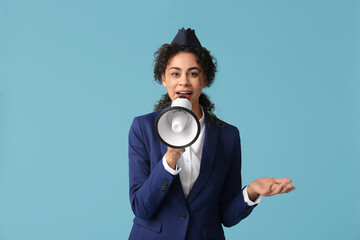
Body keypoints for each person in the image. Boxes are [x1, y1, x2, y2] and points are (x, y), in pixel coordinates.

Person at [128, 28, 295, 240]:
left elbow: (226, 216)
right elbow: (141, 207)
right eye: (175, 73)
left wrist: (252, 191)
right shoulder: (143, 128)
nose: (184, 82)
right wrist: (169, 161)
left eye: (193, 73)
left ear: (205, 79)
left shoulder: (228, 135)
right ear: (163, 78)